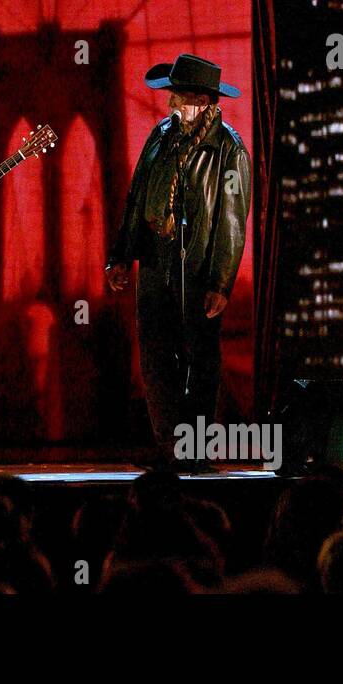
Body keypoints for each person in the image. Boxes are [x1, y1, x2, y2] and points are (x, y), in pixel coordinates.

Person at [105, 54, 251, 471]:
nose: (171, 104)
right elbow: (136, 198)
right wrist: (120, 255)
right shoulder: (160, 136)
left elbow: (232, 221)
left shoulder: (229, 149)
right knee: (155, 357)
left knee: (199, 361)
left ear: (204, 100)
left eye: (180, 96)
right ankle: (171, 449)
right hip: (154, 258)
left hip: (197, 265)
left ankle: (197, 451)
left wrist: (221, 282)